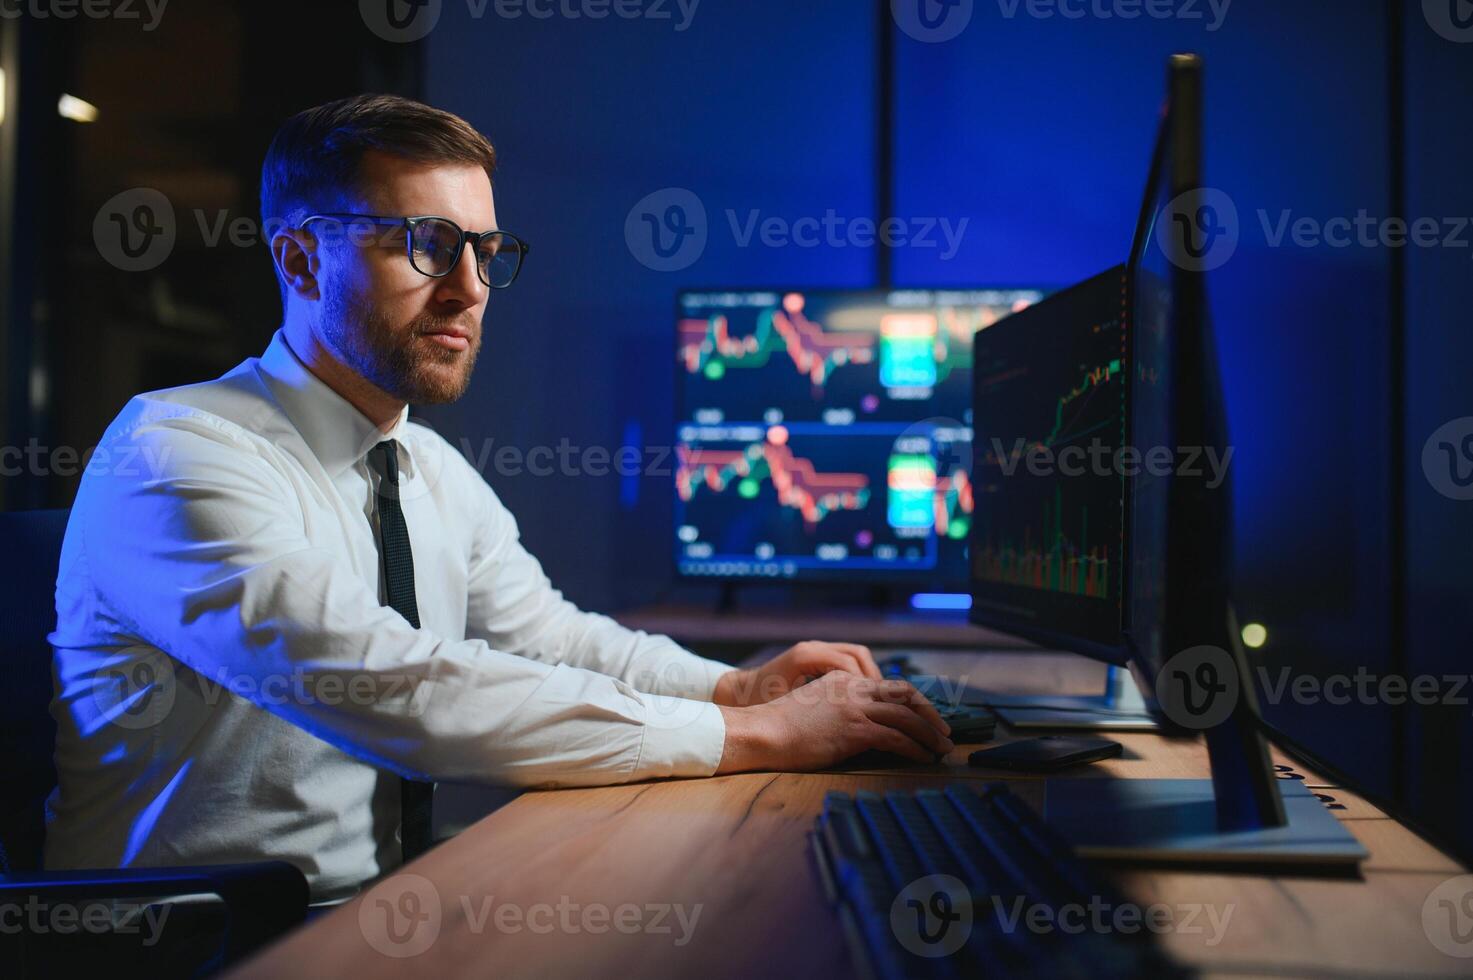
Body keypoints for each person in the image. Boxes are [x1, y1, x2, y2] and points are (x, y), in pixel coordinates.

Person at [45, 93, 953, 904]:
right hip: (205, 940)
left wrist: (738, 685)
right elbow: (387, 686)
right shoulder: (173, 451)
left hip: (386, 907)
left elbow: (551, 639)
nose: (471, 289)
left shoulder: (423, 464)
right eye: (426, 245)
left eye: (484, 250)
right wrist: (750, 735)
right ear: (301, 258)